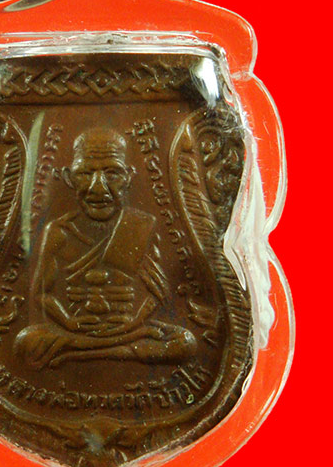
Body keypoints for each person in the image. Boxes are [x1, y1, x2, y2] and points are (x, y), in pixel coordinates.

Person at [13, 127, 198, 370]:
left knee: (184, 342)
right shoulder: (59, 231)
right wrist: (69, 322)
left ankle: (79, 354)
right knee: (25, 341)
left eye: (112, 174)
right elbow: (40, 293)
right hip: (79, 329)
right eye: (84, 174)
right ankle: (115, 350)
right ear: (69, 178)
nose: (98, 188)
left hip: (128, 327)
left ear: (128, 177)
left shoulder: (139, 225)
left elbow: (157, 293)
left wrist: (133, 324)